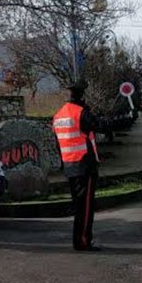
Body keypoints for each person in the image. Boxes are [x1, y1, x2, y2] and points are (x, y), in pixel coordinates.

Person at [52, 81, 105, 251]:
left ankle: (80, 240)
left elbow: (57, 144)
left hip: (69, 165)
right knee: (86, 207)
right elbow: (99, 126)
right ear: (81, 96)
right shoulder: (81, 113)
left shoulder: (58, 116)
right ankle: (82, 241)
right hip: (84, 165)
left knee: (79, 206)